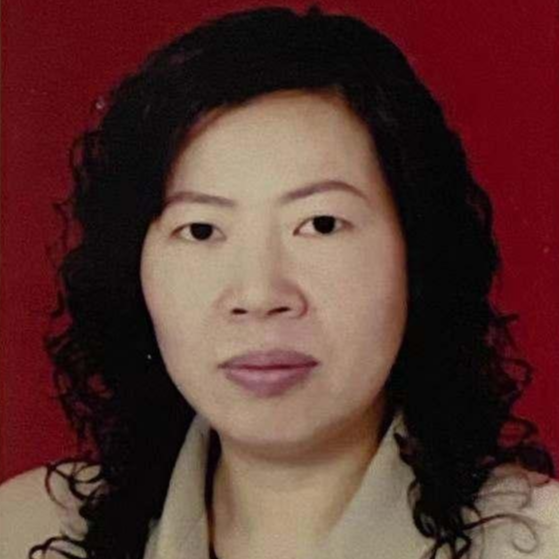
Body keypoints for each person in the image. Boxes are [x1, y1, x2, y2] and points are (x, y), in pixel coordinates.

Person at [0, 5, 558, 559]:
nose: (260, 296)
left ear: (417, 252)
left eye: (321, 224)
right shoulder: (24, 532)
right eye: (201, 229)